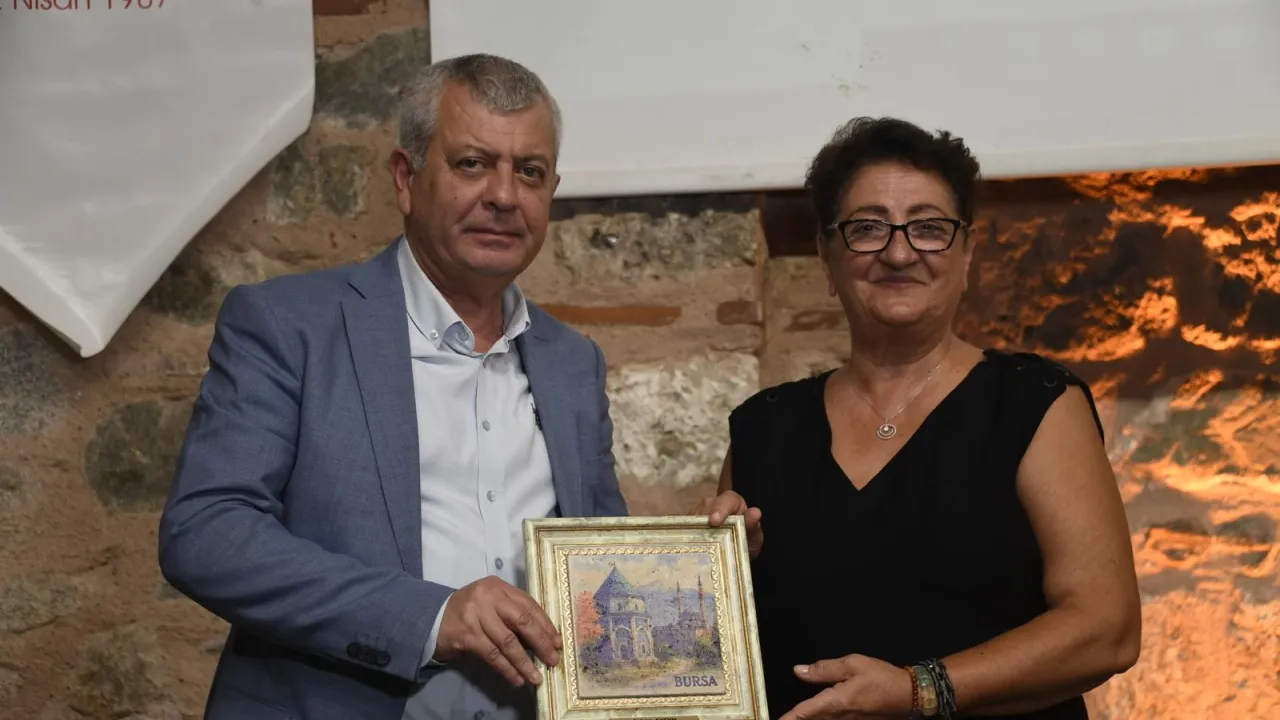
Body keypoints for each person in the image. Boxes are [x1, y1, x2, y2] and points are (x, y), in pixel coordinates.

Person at [158, 54, 628, 720]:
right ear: (406, 179)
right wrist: (430, 617)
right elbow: (208, 534)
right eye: (472, 164)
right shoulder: (289, 325)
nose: (503, 195)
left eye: (529, 171)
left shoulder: (574, 362)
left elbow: (598, 561)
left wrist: (704, 557)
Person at [703, 117, 1141, 720]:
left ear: (967, 254)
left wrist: (919, 690)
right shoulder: (762, 429)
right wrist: (722, 572)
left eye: (929, 228)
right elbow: (719, 656)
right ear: (827, 257)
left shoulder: (1033, 404)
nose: (899, 251)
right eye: (867, 228)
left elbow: (1106, 629)